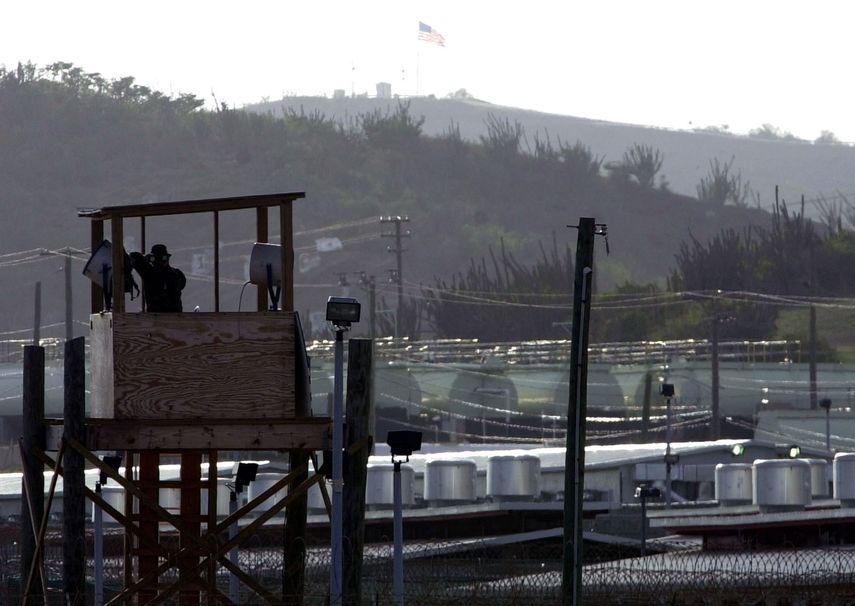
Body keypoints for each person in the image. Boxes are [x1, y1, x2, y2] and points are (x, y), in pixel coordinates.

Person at [129, 244, 186, 312]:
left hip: (158, 316)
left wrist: (146, 258)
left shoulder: (149, 273)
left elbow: (134, 258)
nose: (159, 262)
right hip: (172, 316)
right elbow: (133, 257)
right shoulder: (176, 273)